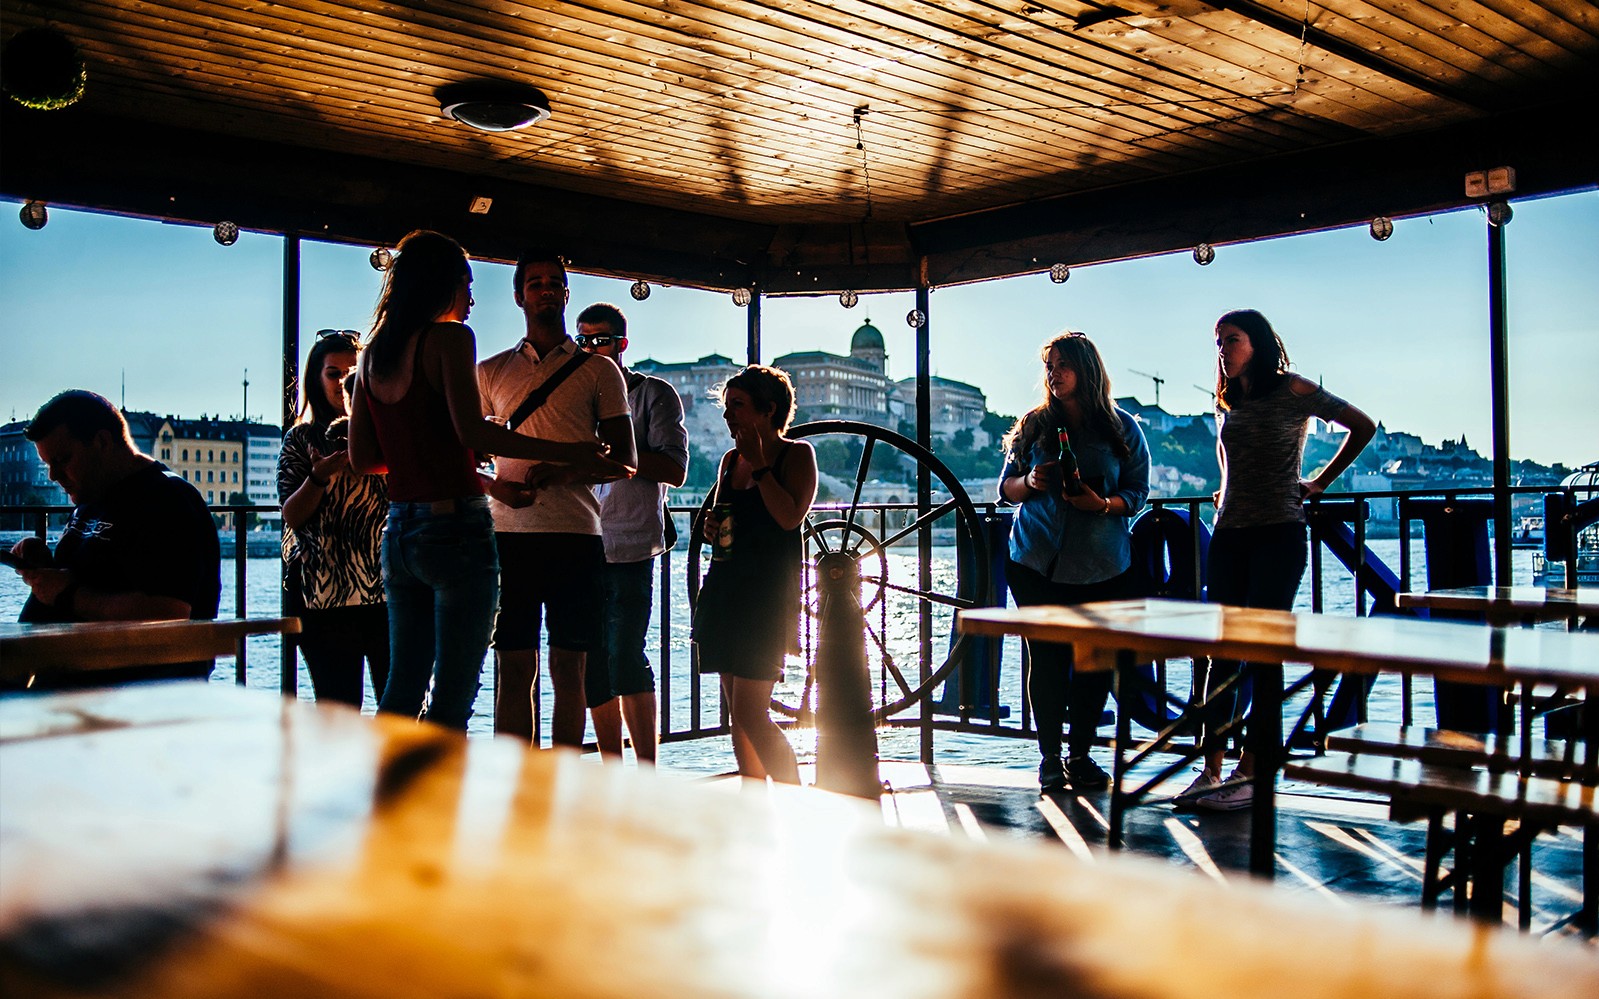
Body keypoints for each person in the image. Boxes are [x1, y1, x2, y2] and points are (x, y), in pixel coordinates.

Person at [348, 230, 608, 730]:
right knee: (454, 693)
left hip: (399, 531)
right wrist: (565, 450)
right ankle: (441, 804)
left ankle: (384, 795)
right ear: (440, 285)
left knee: (402, 686)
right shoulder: (449, 339)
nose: (471, 299)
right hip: (456, 530)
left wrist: (422, 450)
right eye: (466, 286)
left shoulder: (373, 355)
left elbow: (364, 459)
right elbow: (470, 431)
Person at [1183, 308, 1375, 811]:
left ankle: (1252, 769)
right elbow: (1230, 461)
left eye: (1233, 339)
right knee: (1220, 651)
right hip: (1231, 535)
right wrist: (1223, 496)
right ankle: (1210, 767)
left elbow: (1362, 425)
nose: (1223, 349)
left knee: (1263, 652)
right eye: (1218, 341)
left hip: (1279, 532)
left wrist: (1320, 482)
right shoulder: (1231, 401)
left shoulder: (1293, 390)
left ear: (1259, 343)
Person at [477, 250, 637, 748]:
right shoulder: (490, 372)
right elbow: (462, 451)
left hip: (575, 535)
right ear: (519, 295)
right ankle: (519, 782)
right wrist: (494, 486)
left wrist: (562, 472)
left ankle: (559, 782)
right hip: (509, 534)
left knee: (570, 669)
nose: (545, 290)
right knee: (513, 666)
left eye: (554, 283)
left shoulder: (599, 373)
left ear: (566, 293)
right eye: (536, 283)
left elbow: (626, 461)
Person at [997, 332, 1151, 793]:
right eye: (1050, 365)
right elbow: (1006, 489)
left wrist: (1101, 504)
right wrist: (1030, 480)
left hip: (1102, 565)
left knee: (1093, 663)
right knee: (1045, 659)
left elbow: (1137, 493)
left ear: (1086, 370)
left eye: (1062, 364)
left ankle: (1080, 755)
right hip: (1034, 562)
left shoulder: (1123, 428)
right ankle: (1049, 759)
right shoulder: (1033, 425)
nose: (1054, 373)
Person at [8, 389, 221, 687]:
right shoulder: (91, 495)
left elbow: (168, 613)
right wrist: (46, 566)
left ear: (102, 442)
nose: (54, 475)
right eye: (47, 464)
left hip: (134, 691)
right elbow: (86, 576)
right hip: (72, 679)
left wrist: (67, 594)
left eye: (63, 459)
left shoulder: (168, 501)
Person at [692, 365, 817, 784]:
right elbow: (723, 521)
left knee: (751, 711)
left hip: (766, 597)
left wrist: (762, 465)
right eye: (727, 408)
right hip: (725, 590)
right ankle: (754, 798)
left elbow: (788, 518)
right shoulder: (730, 461)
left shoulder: (797, 456)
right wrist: (711, 528)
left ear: (768, 410)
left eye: (738, 407)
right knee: (737, 713)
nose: (729, 417)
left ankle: (795, 799)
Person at [576, 303, 688, 765]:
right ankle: (610, 767)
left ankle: (645, 772)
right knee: (592, 665)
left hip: (630, 543)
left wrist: (619, 452)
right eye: (582, 340)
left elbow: (675, 469)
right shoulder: (573, 399)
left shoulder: (653, 394)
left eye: (600, 340)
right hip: (579, 541)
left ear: (621, 344)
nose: (590, 349)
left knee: (624, 656)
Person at [278, 330, 389, 709]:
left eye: (350, 373)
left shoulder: (384, 436)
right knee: (338, 712)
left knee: (403, 709)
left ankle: (393, 770)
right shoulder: (300, 440)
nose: (343, 384)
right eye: (332, 374)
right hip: (325, 596)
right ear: (314, 379)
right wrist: (320, 476)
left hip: (387, 589)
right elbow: (291, 514)